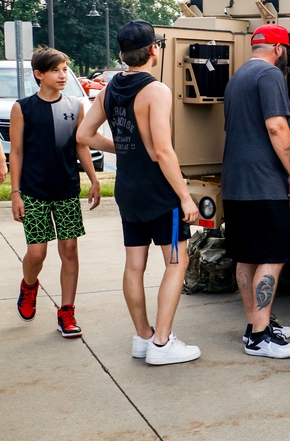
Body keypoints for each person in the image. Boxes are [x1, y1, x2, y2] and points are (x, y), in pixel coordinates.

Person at [77, 20, 201, 365]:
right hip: (159, 193)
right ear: (153, 50)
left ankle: (143, 337)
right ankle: (162, 343)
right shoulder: (156, 91)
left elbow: (84, 135)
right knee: (177, 262)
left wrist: (123, 148)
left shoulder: (109, 88)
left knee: (134, 264)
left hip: (128, 190)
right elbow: (163, 151)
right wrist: (186, 197)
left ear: (123, 53)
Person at [223, 24, 290, 359]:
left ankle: (256, 324)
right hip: (263, 182)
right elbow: (276, 125)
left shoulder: (238, 76)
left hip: (235, 182)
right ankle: (260, 338)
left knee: (247, 257)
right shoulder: (270, 76)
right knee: (272, 256)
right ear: (279, 49)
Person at [10, 47, 101, 338]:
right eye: (56, 71)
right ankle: (29, 286)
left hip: (66, 189)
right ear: (39, 75)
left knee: (70, 250)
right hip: (34, 191)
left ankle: (67, 312)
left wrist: (94, 179)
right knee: (37, 254)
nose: (62, 76)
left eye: (65, 70)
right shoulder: (22, 107)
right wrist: (15, 193)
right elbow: (17, 151)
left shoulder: (75, 105)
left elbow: (80, 145)